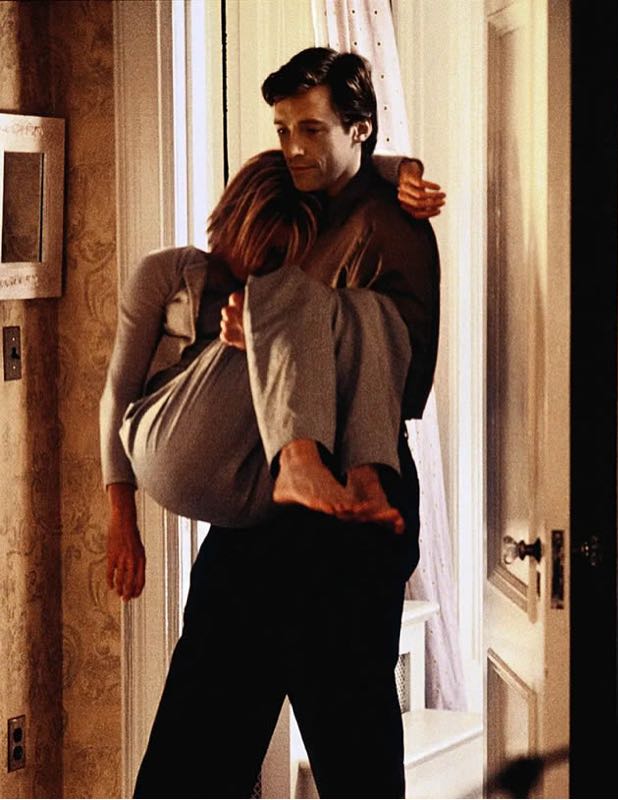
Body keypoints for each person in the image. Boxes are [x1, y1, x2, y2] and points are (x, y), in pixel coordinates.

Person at [112, 48, 441, 800]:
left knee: (354, 759)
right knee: (193, 758)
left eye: (312, 130)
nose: (294, 148)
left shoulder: (393, 222)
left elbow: (408, 376)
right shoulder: (301, 197)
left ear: (358, 129)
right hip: (262, 512)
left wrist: (282, 324)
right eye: (284, 129)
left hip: (349, 513)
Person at [102, 150, 411, 544]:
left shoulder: (287, 304)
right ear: (238, 216)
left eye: (280, 255)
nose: (265, 264)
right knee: (291, 295)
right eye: (267, 248)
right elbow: (119, 390)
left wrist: (401, 171)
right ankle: (299, 462)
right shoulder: (166, 271)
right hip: (167, 445)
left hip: (247, 482)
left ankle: (365, 476)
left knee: (369, 308)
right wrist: (122, 521)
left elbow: (343, 165)